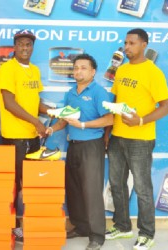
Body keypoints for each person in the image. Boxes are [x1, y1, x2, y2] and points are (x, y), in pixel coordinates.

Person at [104, 28, 168, 250]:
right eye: (125, 43)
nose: (127, 47)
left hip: (140, 139)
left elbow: (166, 107)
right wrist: (107, 132)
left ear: (144, 45)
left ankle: (147, 233)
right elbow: (116, 100)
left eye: (132, 43)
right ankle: (122, 226)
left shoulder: (153, 72)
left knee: (142, 188)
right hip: (117, 136)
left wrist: (141, 120)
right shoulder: (121, 70)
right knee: (117, 184)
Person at [47, 54, 113, 250]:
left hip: (92, 146)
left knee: (91, 191)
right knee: (74, 189)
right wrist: (51, 129)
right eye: (75, 68)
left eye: (83, 68)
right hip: (73, 146)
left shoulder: (99, 92)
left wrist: (84, 124)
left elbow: (109, 120)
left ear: (93, 72)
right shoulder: (70, 93)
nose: (78, 71)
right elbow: (64, 119)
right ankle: (81, 226)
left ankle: (97, 235)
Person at [0, 29, 50, 242]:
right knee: (13, 186)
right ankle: (13, 227)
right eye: (21, 44)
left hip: (32, 137)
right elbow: (9, 103)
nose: (25, 48)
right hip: (14, 137)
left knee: (31, 185)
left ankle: (30, 227)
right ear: (15, 46)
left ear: (32, 47)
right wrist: (37, 122)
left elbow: (34, 102)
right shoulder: (7, 69)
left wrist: (52, 112)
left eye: (29, 44)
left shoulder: (35, 70)